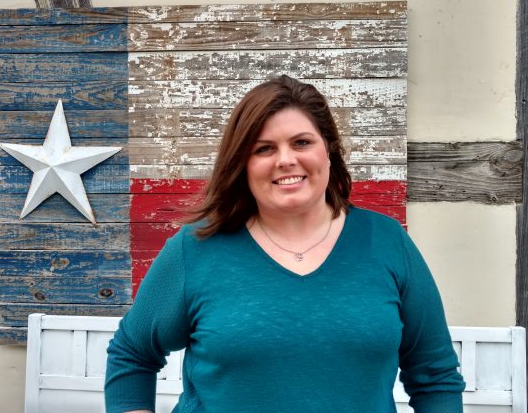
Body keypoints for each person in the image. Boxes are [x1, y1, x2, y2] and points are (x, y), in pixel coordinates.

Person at [105, 75, 465, 412]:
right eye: (263, 149)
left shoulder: (387, 242)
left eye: (302, 142)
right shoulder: (197, 248)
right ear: (242, 164)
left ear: (329, 150)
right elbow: (132, 354)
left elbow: (435, 377)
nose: (286, 160)